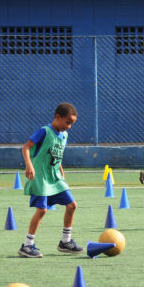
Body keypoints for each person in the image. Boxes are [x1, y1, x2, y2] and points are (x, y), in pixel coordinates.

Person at [19, 103, 83, 258]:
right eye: (68, 122)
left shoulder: (65, 136)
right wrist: (29, 165)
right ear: (57, 117)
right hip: (40, 177)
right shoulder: (44, 131)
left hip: (55, 178)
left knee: (72, 205)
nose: (69, 126)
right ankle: (27, 246)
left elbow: (55, 153)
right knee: (42, 210)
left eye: (72, 124)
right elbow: (26, 147)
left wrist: (60, 167)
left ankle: (65, 242)